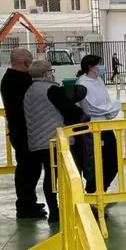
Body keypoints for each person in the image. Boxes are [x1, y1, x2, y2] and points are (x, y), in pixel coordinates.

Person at [23, 60, 87, 223]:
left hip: (38, 141)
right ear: (46, 73)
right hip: (57, 140)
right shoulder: (51, 89)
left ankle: (54, 211)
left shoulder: (29, 90)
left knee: (50, 176)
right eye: (51, 71)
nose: (52, 73)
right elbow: (70, 111)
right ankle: (71, 207)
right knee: (69, 174)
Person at [0, 48, 46, 219]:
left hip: (21, 131)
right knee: (28, 170)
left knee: (29, 169)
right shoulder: (20, 81)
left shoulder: (10, 78)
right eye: (30, 61)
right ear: (25, 62)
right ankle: (25, 207)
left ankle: (28, 202)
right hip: (24, 132)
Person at [76, 55, 122, 197]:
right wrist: (111, 107)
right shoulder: (82, 83)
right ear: (91, 67)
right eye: (99, 64)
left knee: (113, 162)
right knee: (95, 163)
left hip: (105, 126)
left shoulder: (99, 80)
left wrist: (111, 108)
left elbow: (108, 102)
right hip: (92, 128)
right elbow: (91, 108)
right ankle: (92, 193)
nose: (102, 67)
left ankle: (102, 190)